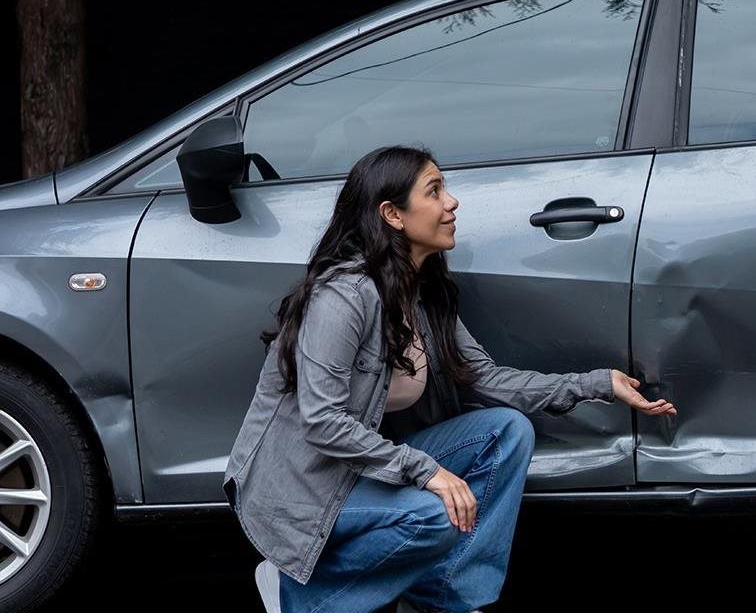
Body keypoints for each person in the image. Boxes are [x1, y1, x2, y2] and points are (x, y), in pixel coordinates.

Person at [223, 145, 677, 612]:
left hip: (359, 471)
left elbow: (484, 378)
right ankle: (299, 595)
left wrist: (597, 383)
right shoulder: (344, 295)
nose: (452, 202)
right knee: (431, 518)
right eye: (434, 191)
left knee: (505, 432)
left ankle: (448, 599)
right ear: (392, 215)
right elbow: (322, 423)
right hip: (302, 489)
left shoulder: (421, 293)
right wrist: (427, 471)